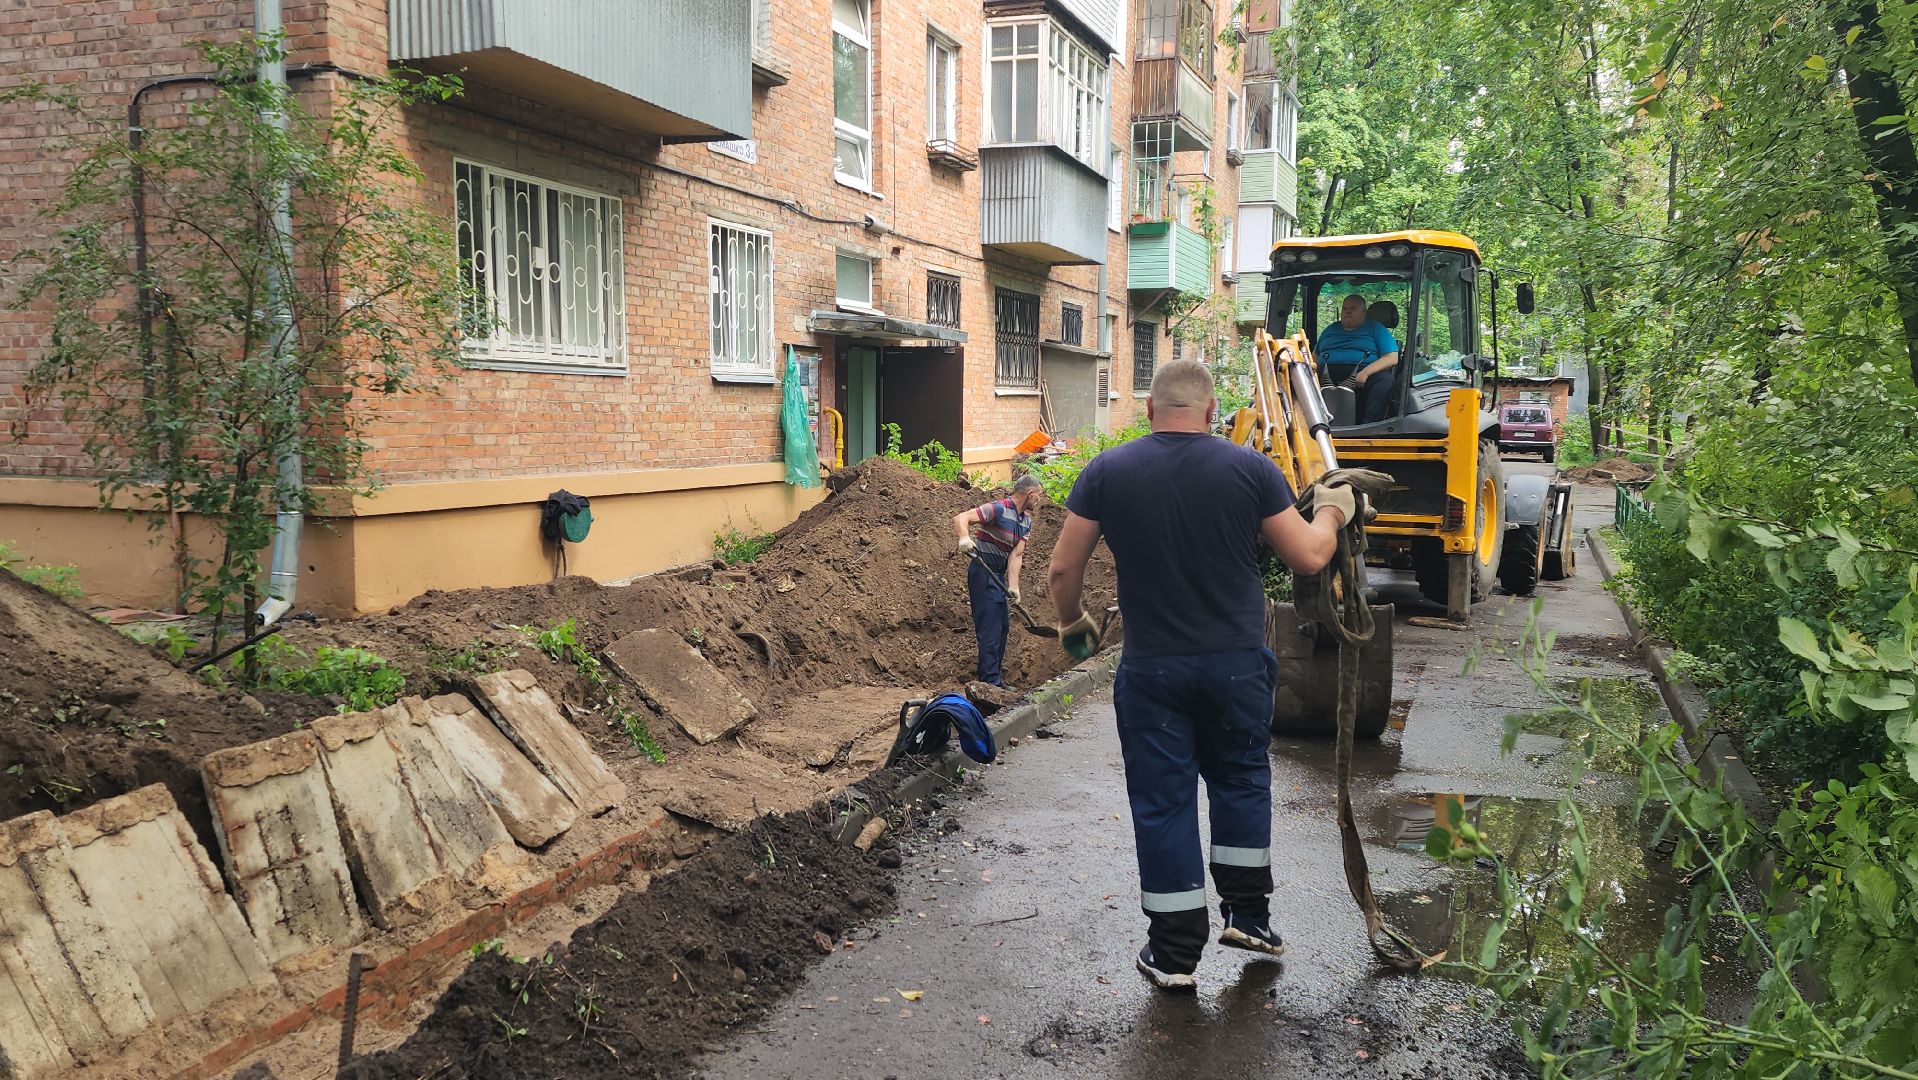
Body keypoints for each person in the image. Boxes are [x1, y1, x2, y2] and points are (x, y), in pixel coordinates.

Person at [1047, 359, 1356, 990]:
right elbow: (1308, 554)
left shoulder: (1108, 470)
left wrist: (1074, 625)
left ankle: (1175, 952)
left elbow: (1060, 569)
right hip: (1236, 666)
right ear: (1212, 413)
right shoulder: (1249, 469)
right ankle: (1250, 917)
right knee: (1241, 782)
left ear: (1152, 411)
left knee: (1163, 805)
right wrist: (1331, 510)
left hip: (1152, 669)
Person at [954, 474, 1044, 687]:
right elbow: (962, 518)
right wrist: (964, 538)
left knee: (1002, 626)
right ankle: (989, 682)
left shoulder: (1026, 521)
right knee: (991, 627)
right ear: (1030, 494)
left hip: (998, 575)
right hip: (982, 571)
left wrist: (1014, 586)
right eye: (1039, 495)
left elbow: (1016, 555)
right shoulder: (999, 508)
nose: (1040, 500)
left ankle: (994, 679)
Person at [1316, 293, 1401, 423]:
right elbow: (1314, 356)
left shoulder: (1376, 329)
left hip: (1363, 372)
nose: (1348, 312)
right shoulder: (1330, 329)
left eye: (1353, 308)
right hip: (1325, 372)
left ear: (1364, 312)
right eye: (1345, 308)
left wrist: (1365, 373)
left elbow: (1391, 357)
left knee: (1385, 381)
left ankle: (1370, 426)